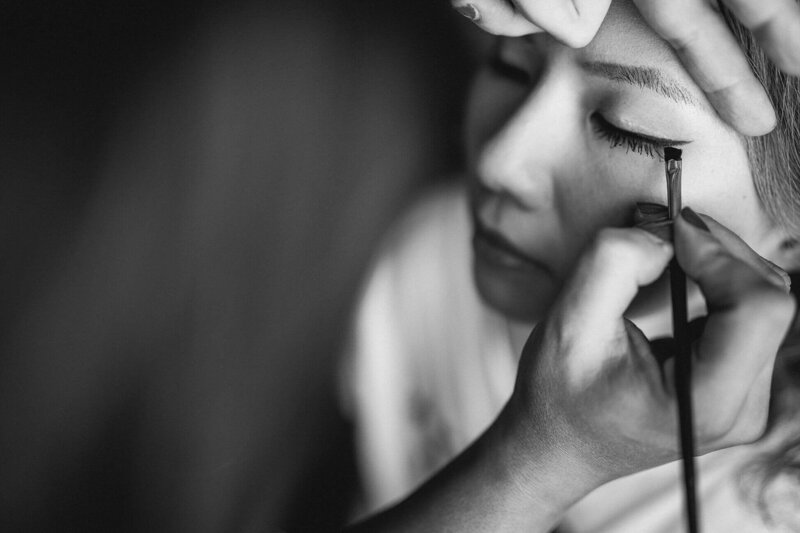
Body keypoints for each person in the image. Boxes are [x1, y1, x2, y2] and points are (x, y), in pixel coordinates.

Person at [340, 0, 800, 531]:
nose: (499, 163)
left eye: (627, 130)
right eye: (510, 66)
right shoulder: (427, 258)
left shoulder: (776, 509)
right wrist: (545, 459)